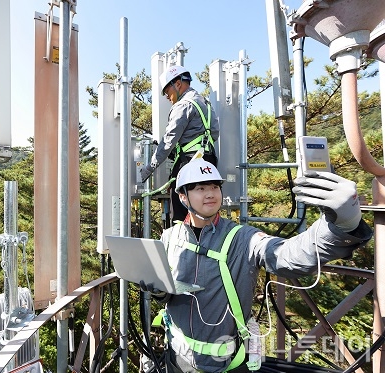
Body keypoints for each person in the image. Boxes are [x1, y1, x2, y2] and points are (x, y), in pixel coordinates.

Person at [145, 158, 372, 372]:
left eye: (214, 187)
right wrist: (158, 292)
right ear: (183, 197)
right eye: (200, 188)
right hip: (176, 356)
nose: (210, 194)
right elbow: (168, 293)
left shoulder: (242, 238)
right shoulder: (170, 237)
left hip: (226, 363)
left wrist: (341, 226)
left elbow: (286, 255)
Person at [140, 65, 219, 225]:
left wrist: (150, 167)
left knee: (181, 214)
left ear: (178, 84)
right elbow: (215, 133)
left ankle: (182, 248)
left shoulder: (183, 105)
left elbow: (169, 140)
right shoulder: (205, 103)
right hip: (209, 162)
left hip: (189, 164)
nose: (167, 97)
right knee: (206, 212)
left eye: (167, 92)